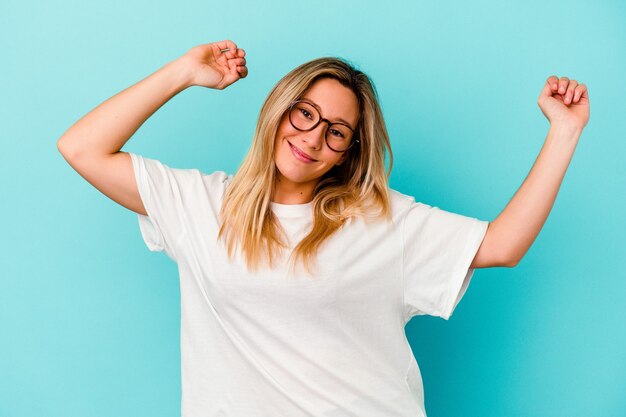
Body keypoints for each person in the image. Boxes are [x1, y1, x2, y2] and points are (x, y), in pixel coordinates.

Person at [57, 39, 590, 417]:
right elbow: (82, 147)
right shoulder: (202, 205)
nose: (312, 139)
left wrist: (564, 132)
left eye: (336, 132)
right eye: (304, 114)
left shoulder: (379, 220)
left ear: (349, 152)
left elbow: (503, 244)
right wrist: (183, 71)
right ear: (278, 110)